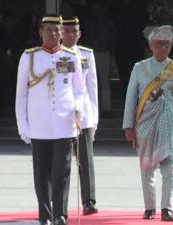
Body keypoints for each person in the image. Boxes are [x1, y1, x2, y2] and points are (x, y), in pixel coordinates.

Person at [15, 15, 84, 225]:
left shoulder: (71, 56)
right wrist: (23, 125)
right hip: (39, 124)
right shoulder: (30, 56)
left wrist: (78, 107)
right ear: (41, 32)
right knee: (41, 174)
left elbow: (79, 90)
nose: (54, 34)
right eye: (50, 29)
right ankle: (45, 215)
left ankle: (60, 214)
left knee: (62, 172)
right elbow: (21, 94)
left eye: (57, 30)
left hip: (64, 123)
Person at [122, 25, 173, 222]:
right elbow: (130, 98)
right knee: (147, 167)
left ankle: (167, 208)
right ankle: (150, 207)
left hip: (170, 123)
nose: (164, 48)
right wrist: (128, 126)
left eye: (167, 44)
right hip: (145, 123)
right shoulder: (140, 67)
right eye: (160, 44)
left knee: (171, 168)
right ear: (151, 45)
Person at [62, 16, 99, 215]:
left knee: (86, 159)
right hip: (61, 115)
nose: (71, 34)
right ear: (60, 33)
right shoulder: (54, 54)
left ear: (80, 33)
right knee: (62, 162)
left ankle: (89, 200)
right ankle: (59, 201)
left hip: (83, 114)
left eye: (74, 31)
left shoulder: (86, 54)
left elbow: (92, 87)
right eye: (67, 31)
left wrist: (94, 119)